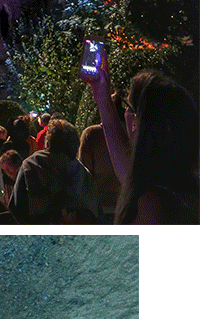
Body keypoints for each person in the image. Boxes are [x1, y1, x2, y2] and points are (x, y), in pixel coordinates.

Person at [84, 59, 200, 223]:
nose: (125, 113)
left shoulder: (149, 206)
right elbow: (127, 173)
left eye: (127, 106)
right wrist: (103, 100)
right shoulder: (181, 187)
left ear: (138, 121)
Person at [9, 119, 102, 224]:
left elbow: (16, 208)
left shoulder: (31, 165)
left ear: (48, 142)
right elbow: (97, 212)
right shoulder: (83, 172)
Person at [77, 120, 121, 223]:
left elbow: (82, 175)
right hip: (128, 208)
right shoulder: (136, 133)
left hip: (100, 209)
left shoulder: (92, 134)